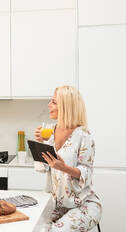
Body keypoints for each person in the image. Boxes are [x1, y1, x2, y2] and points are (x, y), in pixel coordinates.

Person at [34, 86, 101, 231]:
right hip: (56, 205)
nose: (48, 105)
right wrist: (40, 144)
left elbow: (86, 173)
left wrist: (63, 167)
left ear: (65, 106)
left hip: (83, 205)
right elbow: (43, 168)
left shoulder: (84, 135)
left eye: (53, 102)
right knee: (33, 226)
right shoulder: (50, 131)